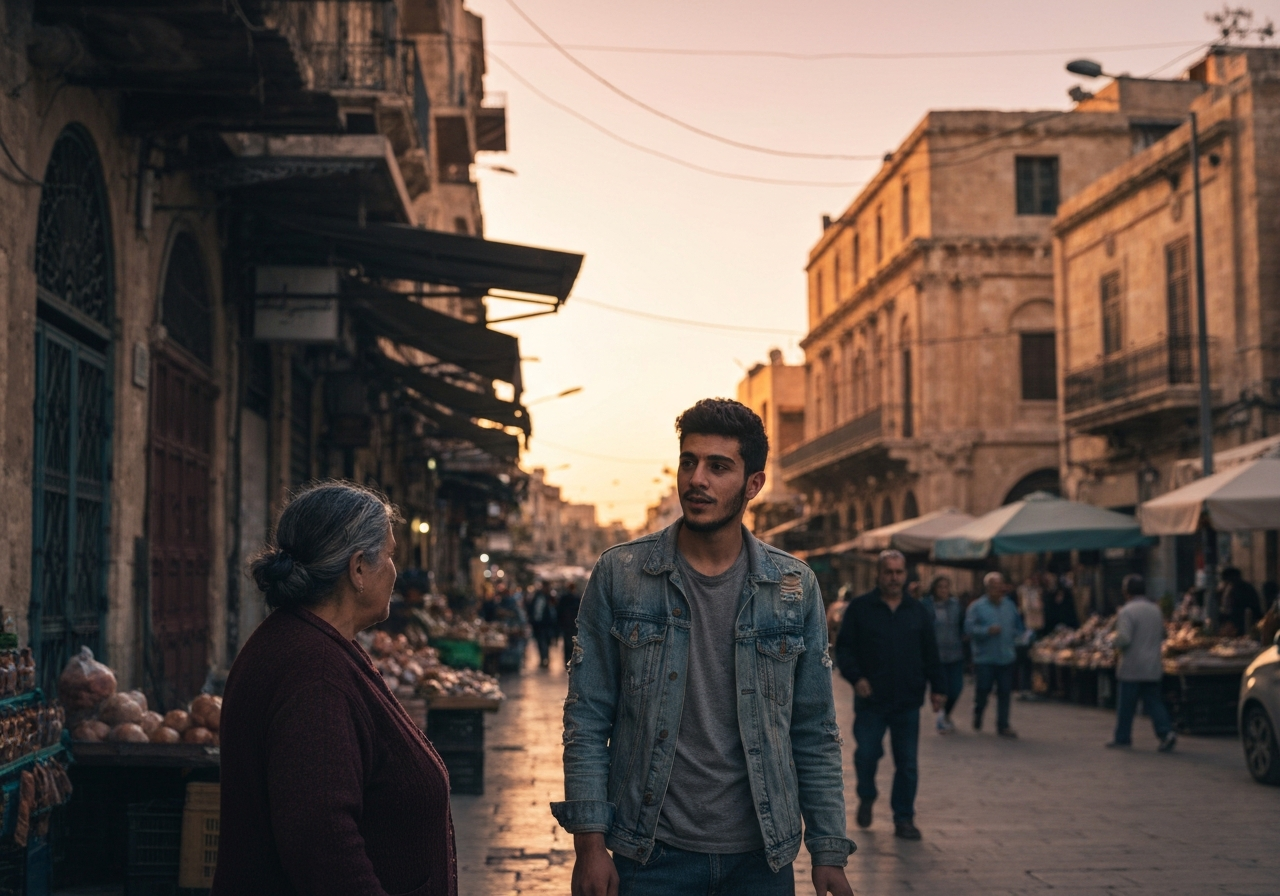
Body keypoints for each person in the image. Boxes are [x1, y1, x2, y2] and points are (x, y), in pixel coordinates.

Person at [553, 398, 854, 896]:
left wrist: (828, 852)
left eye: (718, 467)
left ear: (753, 484)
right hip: (650, 855)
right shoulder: (621, 574)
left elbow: (815, 729)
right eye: (689, 462)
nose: (697, 479)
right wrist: (590, 845)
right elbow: (586, 717)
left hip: (761, 859)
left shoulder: (792, 586)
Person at [213, 482, 456, 896]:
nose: (396, 572)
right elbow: (322, 842)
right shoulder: (314, 674)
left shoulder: (313, 646)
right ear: (358, 568)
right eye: (391, 556)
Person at [836, 550, 945, 840]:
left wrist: (938, 688)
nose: (894, 578)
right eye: (889, 572)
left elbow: (931, 652)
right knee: (866, 755)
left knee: (907, 763)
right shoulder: (860, 608)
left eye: (899, 572)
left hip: (908, 699)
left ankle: (904, 818)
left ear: (905, 575)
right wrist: (856, 678)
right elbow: (843, 649)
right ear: (879, 575)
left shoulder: (918, 611)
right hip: (871, 700)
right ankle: (867, 794)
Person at [1107, 574, 1177, 752]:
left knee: (1126, 706)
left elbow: (1124, 638)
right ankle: (1166, 732)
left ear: (1126, 592)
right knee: (1154, 702)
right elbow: (1164, 635)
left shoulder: (1127, 611)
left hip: (1132, 666)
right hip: (1152, 665)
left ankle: (1122, 737)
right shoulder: (1155, 610)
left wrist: (1112, 640)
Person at [965, 571, 1023, 738]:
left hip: (1006, 656)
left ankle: (1003, 725)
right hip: (985, 658)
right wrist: (986, 631)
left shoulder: (1009, 606)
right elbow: (969, 630)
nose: (997, 590)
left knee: (1005, 692)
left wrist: (1019, 636)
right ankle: (978, 711)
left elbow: (1018, 626)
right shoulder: (977, 607)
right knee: (983, 689)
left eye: (999, 587)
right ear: (987, 588)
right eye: (993, 587)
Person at [922, 576, 964, 734]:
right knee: (941, 689)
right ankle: (941, 718)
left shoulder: (955, 605)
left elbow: (961, 625)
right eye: (940, 587)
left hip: (955, 653)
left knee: (956, 688)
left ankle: (945, 714)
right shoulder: (926, 605)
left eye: (946, 587)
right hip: (935, 655)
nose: (944, 591)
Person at [1219, 567, 1262, 637]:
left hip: (1241, 624)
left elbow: (1232, 608)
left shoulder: (1236, 589)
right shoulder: (1245, 587)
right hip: (1246, 623)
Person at [527, 582, 558, 669]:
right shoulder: (538, 596)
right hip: (538, 624)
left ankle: (546, 658)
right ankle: (543, 658)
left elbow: (554, 610)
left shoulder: (549, 597)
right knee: (540, 642)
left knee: (546, 642)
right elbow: (532, 608)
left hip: (547, 624)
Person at [557, 581, 582, 666]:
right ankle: (572, 659)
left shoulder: (564, 598)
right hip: (573, 624)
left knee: (567, 642)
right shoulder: (577, 598)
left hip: (566, 624)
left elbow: (559, 611)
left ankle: (567, 659)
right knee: (573, 643)